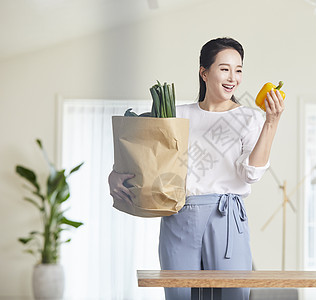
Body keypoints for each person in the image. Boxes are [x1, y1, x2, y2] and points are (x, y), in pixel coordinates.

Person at [108, 37, 284, 300]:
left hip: (226, 218)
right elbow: (145, 157)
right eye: (224, 68)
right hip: (179, 215)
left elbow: (251, 173)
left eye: (238, 70)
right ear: (204, 72)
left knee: (232, 295)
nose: (232, 77)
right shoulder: (176, 116)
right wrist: (114, 174)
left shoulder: (251, 117)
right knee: (179, 295)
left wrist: (272, 122)